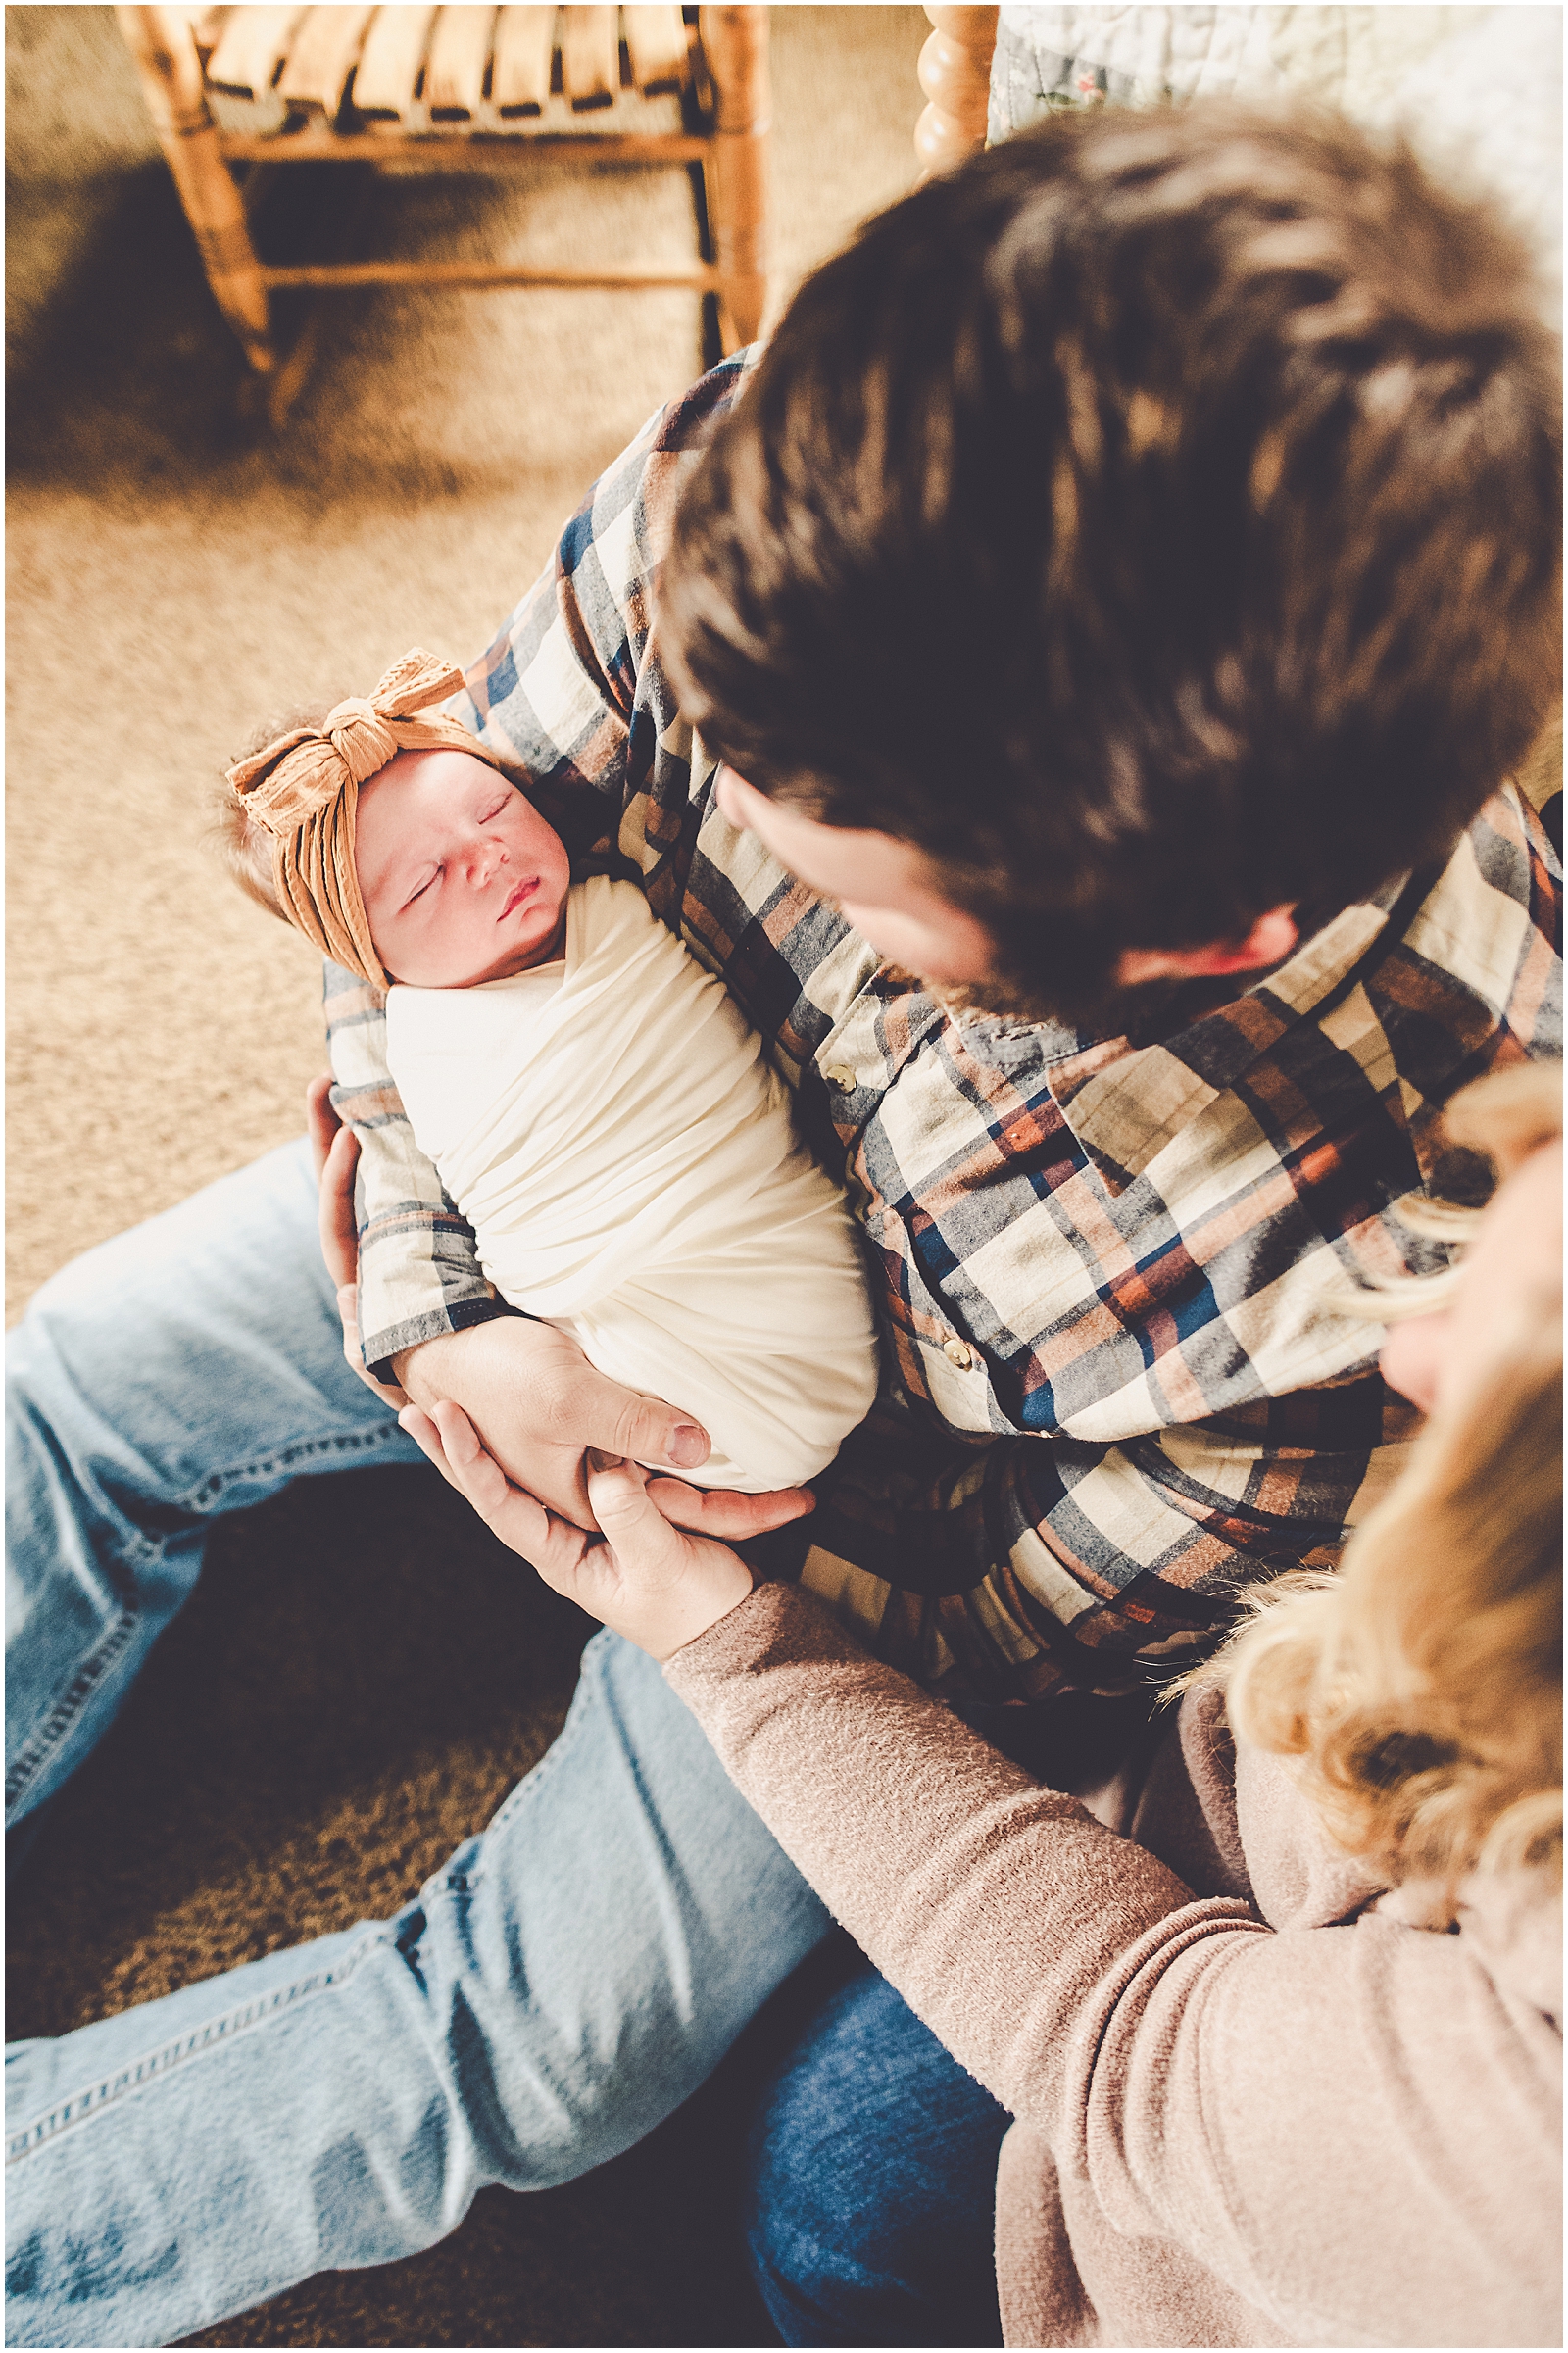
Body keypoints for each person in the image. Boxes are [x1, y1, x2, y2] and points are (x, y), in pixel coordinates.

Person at [5, 104, 1560, 2347]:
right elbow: (409, 875)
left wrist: (647, 1534)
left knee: (541, 2044)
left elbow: (999, 1641)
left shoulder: (1393, 1251)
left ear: (1194, 937)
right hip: (533, 1151)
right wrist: (445, 1318)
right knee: (81, 1372)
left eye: (826, 862)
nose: (690, 788)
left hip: (834, 1536)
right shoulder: (785, 476)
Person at [408, 1062, 1563, 2348]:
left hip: (1203, 2062)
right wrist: (419, 1289)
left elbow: (1139, 2040)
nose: (1402, 1344)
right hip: (1223, 1840)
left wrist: (730, 1647)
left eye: (1486, 1362)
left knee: (640, 2098)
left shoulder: (1531, 2150)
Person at [217, 648, 876, 1491]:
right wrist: (426, 1341)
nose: (487, 854)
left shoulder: (615, 917)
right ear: (369, 960)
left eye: (495, 805)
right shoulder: (421, 1041)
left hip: (752, 1271)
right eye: (426, 885)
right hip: (608, 1347)